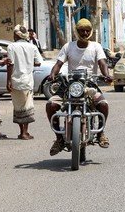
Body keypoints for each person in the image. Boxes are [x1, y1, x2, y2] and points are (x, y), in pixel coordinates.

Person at [47, 18, 112, 155]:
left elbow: (102, 63)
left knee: (103, 104)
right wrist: (53, 74)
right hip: (70, 84)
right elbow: (58, 64)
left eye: (87, 30)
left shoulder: (96, 46)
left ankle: (101, 133)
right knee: (51, 105)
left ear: (91, 31)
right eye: (81, 30)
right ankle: (59, 139)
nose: (84, 33)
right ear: (77, 31)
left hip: (89, 83)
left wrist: (106, 75)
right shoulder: (68, 46)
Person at [6, 25, 43, 140]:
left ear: (17, 35)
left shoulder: (11, 47)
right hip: (27, 81)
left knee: (18, 107)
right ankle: (25, 132)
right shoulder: (32, 47)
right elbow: (38, 62)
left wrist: (8, 81)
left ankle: (22, 131)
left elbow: (10, 64)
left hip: (15, 81)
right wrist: (28, 63)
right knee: (27, 107)